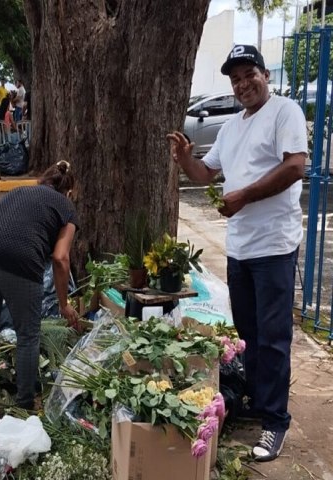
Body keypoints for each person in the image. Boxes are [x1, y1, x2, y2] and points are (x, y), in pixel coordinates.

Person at [168, 45, 307, 463]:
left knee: (274, 336)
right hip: (241, 247)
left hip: (275, 244)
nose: (244, 83)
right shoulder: (231, 128)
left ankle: (275, 421)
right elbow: (206, 173)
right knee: (248, 334)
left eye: (250, 74)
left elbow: (296, 165)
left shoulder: (286, 112)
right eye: (236, 79)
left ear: (264, 74)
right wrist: (184, 159)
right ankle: (258, 401)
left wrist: (244, 195)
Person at [0, 161, 79, 413]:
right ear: (69, 191)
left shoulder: (18, 191)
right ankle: (24, 405)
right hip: (20, 263)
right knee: (28, 334)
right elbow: (60, 258)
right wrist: (64, 303)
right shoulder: (66, 207)